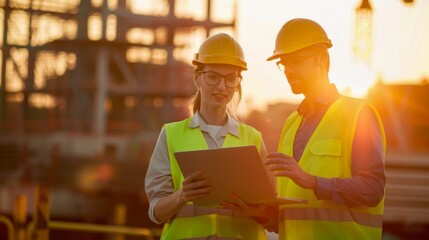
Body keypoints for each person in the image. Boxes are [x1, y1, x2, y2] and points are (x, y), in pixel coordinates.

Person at [261, 18, 387, 239]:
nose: (287, 70)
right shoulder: (291, 123)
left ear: (321, 59)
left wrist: (313, 182)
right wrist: (260, 214)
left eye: (295, 61)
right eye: (283, 62)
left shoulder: (357, 114)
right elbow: (295, 215)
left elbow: (372, 189)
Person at [145, 33, 269, 239]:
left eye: (231, 79)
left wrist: (253, 211)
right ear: (197, 77)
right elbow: (156, 212)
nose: (222, 87)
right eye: (213, 76)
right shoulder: (171, 135)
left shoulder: (253, 139)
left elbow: (269, 212)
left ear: (238, 83)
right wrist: (182, 196)